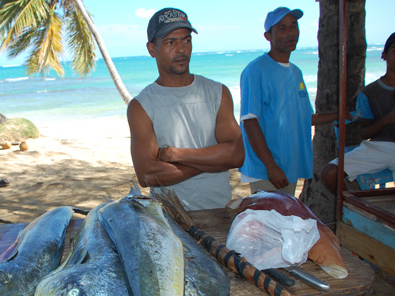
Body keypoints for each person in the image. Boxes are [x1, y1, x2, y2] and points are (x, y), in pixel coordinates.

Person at [128, 7, 244, 211]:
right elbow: (148, 175)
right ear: (151, 49)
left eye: (187, 40)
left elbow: (236, 155)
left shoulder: (218, 93)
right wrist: (213, 160)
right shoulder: (141, 106)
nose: (181, 49)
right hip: (169, 219)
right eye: (171, 42)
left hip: (221, 212)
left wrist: (177, 155)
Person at [239, 7, 339, 196]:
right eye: (282, 28)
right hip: (268, 171)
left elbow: (303, 117)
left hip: (290, 167)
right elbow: (249, 121)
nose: (291, 33)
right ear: (268, 36)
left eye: (294, 26)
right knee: (267, 222)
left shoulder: (295, 72)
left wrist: (338, 115)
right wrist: (271, 167)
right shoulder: (256, 70)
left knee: (283, 221)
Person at [320, 32, 395, 194]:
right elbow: (364, 133)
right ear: (385, 55)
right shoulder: (370, 92)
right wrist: (387, 120)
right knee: (329, 173)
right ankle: (358, 205)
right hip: (378, 148)